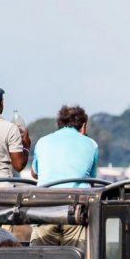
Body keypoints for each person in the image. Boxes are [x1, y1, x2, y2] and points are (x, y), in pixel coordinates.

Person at [30, 104, 98, 249]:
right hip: (75, 210)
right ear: (84, 126)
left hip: (44, 208)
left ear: (59, 124)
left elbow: (34, 173)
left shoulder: (43, 141)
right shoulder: (91, 144)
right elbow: (91, 180)